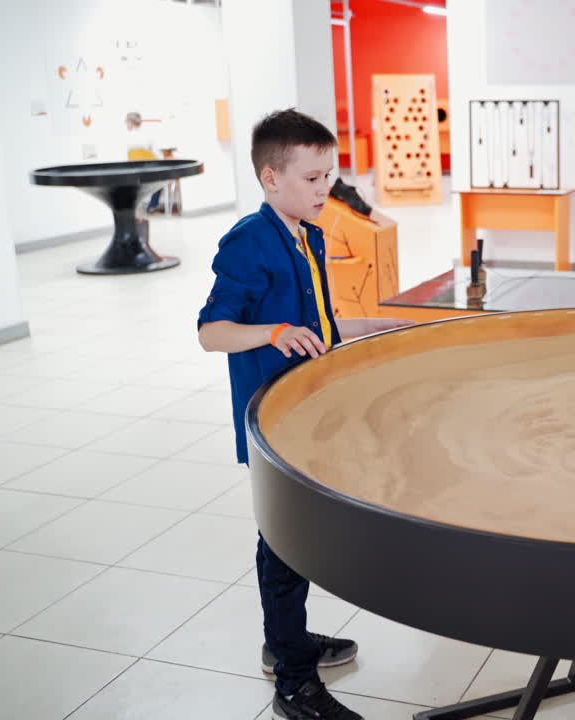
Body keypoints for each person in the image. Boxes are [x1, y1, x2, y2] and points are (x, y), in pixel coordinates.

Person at [197, 108, 411, 720]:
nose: (326, 190)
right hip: (275, 421)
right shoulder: (248, 240)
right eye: (314, 179)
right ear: (271, 178)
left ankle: (285, 640)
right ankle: (293, 679)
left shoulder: (308, 233)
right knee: (285, 542)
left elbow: (318, 325)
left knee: (293, 538)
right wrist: (275, 332)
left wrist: (377, 326)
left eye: (329, 176)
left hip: (311, 409)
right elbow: (213, 333)